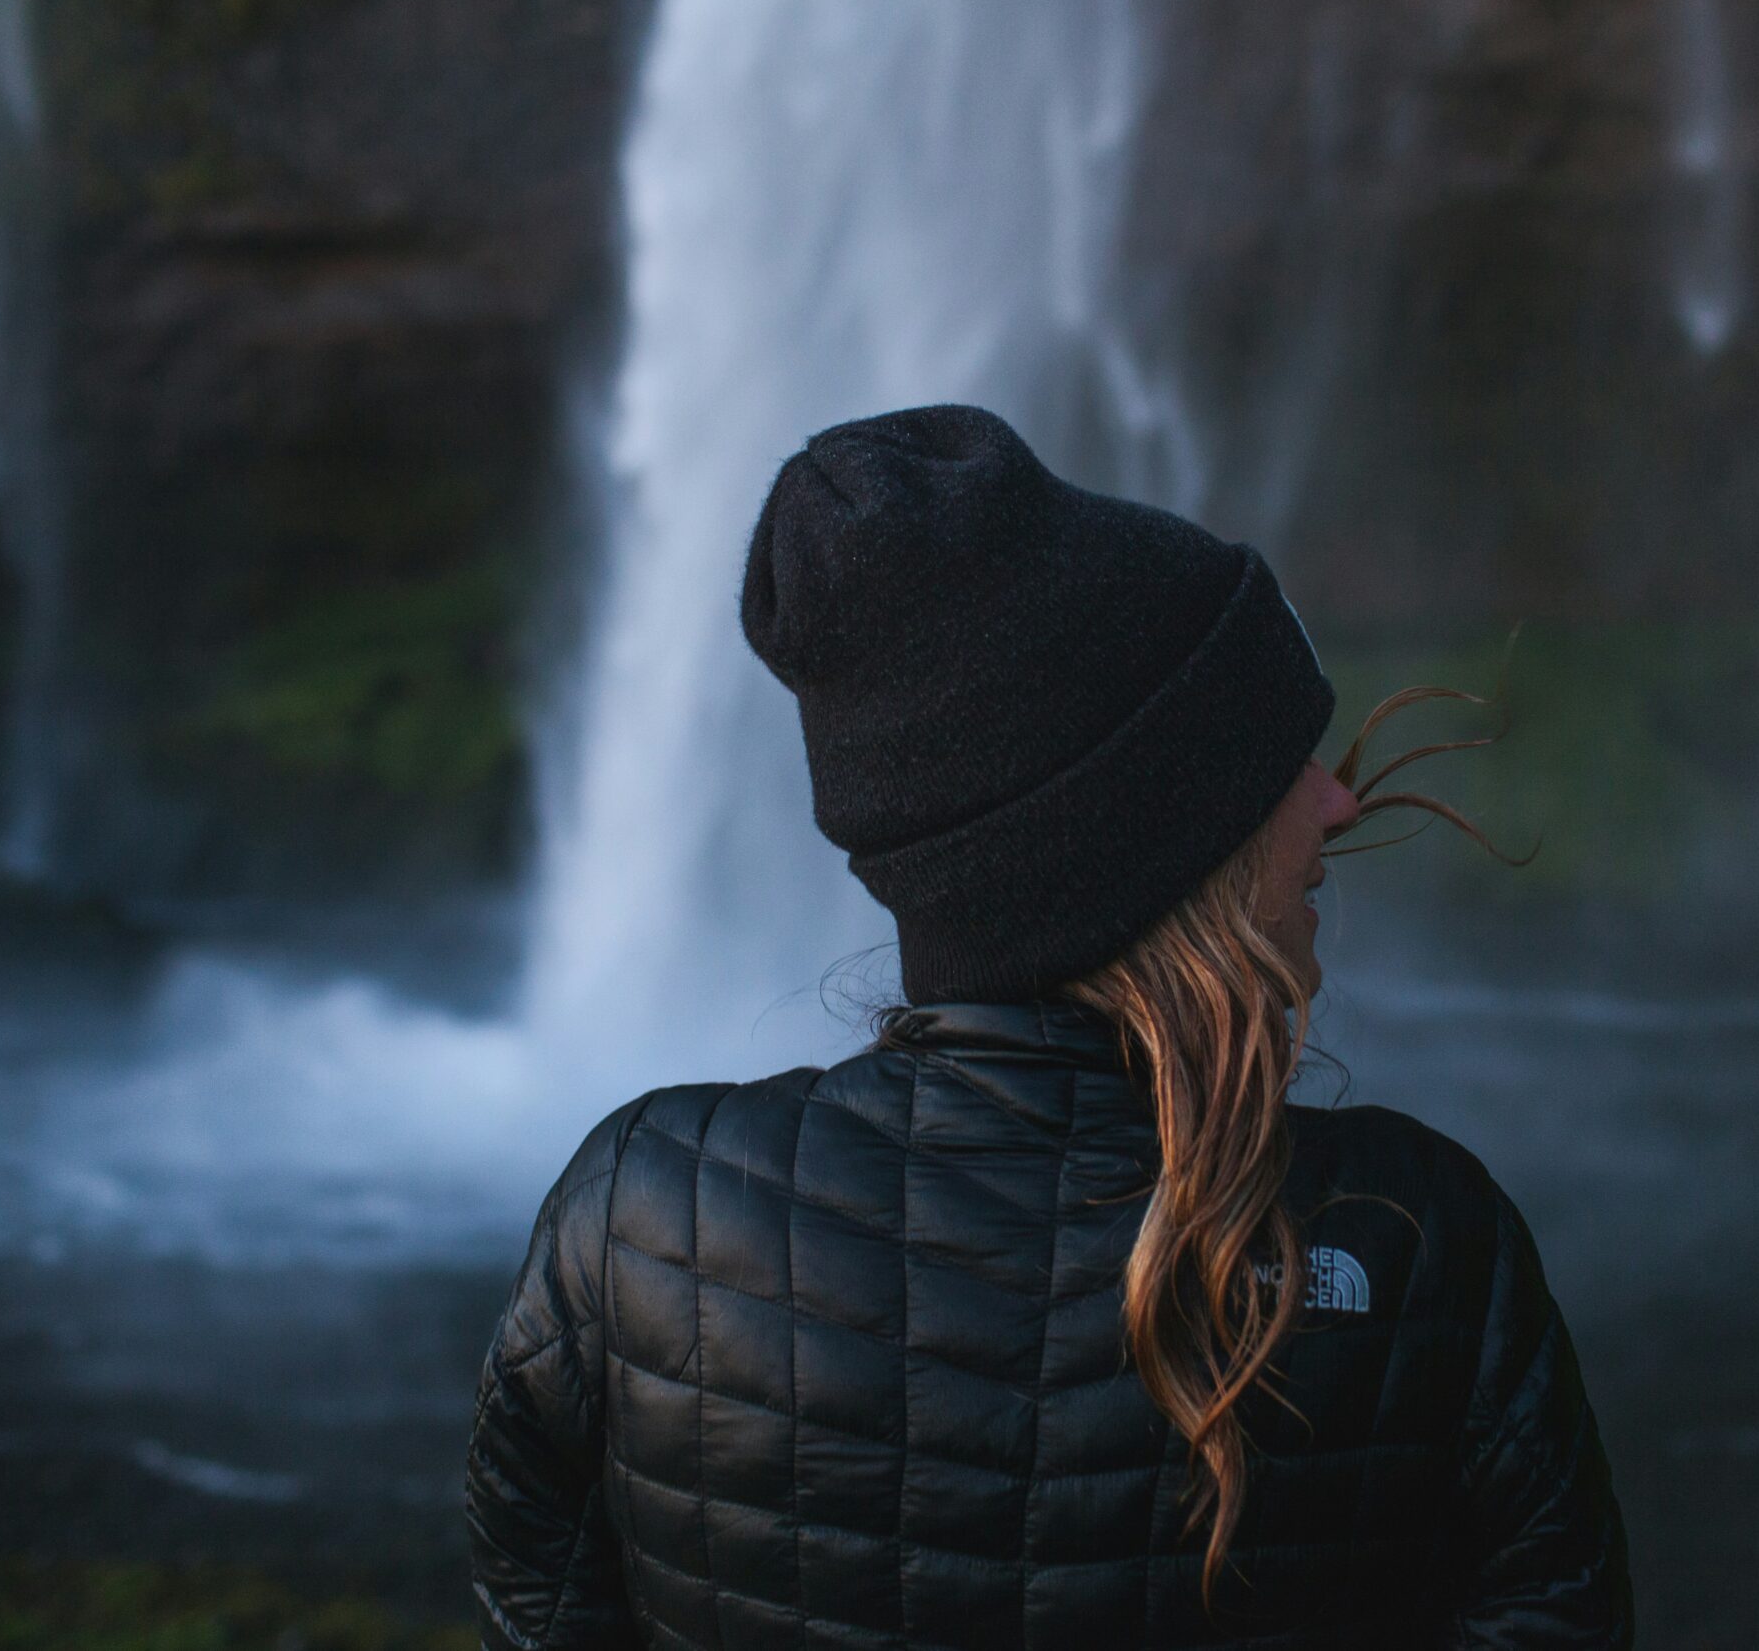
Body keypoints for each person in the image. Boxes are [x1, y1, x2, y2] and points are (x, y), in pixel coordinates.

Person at [465, 404, 1632, 1649]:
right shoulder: (1414, 1243)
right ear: (1150, 832)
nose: (1337, 800)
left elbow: (539, 1611)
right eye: (1278, 756)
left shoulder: (643, 1217)